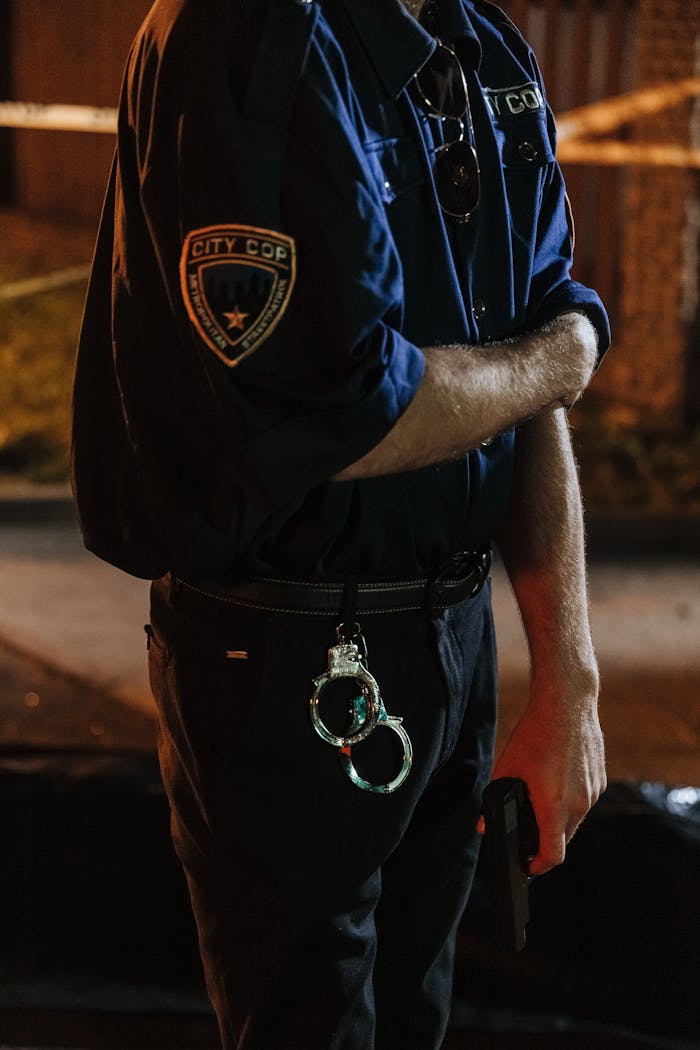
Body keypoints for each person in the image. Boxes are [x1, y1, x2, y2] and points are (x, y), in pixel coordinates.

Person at [72, 0, 610, 1046]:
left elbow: (525, 364)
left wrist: (568, 679)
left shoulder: (480, 43)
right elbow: (341, 419)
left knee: (417, 1018)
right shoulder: (240, 36)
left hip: (456, 639)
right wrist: (558, 361)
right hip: (280, 655)